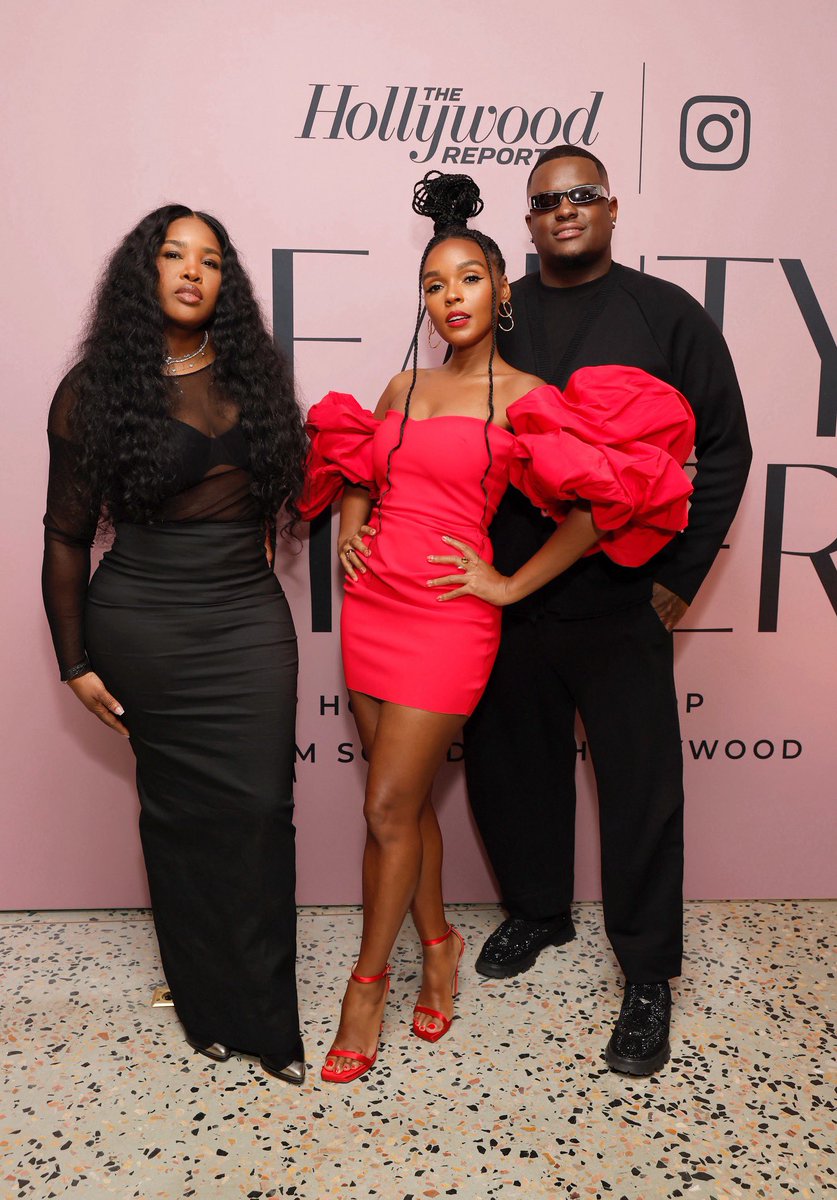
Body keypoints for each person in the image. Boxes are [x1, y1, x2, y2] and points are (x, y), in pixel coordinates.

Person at [299, 171, 696, 1083]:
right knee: (403, 809)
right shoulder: (402, 382)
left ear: (500, 289)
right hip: (374, 607)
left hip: (448, 616)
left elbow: (601, 504)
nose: (449, 299)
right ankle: (438, 947)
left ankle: (368, 988)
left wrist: (509, 584)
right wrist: (352, 533)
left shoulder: (523, 397)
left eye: (467, 280)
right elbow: (362, 466)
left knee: (386, 806)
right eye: (434, 285)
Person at [464, 147, 753, 1076]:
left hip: (623, 598)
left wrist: (678, 579)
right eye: (544, 201)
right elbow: (458, 435)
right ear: (529, 218)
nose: (563, 212)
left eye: (580, 196)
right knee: (513, 768)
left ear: (612, 208)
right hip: (509, 596)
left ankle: (646, 973)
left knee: (639, 790)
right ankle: (540, 913)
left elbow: (728, 449)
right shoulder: (497, 312)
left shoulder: (664, 313)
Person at [42, 205, 308, 1084]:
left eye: (210, 259)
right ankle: (208, 1010)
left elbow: (266, 509)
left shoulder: (255, 377)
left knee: (262, 815)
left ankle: (269, 1020)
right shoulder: (95, 391)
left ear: (225, 282)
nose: (193, 271)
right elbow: (67, 536)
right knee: (181, 822)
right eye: (173, 255)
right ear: (143, 273)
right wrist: (73, 660)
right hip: (144, 621)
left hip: (243, 618)